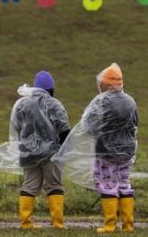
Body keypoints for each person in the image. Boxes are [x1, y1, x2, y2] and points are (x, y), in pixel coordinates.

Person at [52, 63, 138, 233]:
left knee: (108, 185)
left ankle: (110, 225)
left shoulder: (101, 101)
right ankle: (128, 226)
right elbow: (135, 124)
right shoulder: (130, 101)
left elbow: (88, 125)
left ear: (105, 84)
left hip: (105, 151)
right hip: (127, 152)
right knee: (124, 184)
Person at [0, 71, 70, 229]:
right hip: (51, 154)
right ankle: (57, 224)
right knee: (54, 186)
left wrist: (24, 146)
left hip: (27, 153)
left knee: (29, 186)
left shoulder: (21, 104)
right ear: (51, 88)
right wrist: (66, 150)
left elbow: (16, 128)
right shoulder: (54, 104)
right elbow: (64, 129)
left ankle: (26, 223)